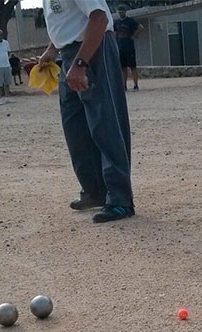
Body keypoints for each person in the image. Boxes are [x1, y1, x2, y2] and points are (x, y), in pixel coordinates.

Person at [37, 0, 135, 223]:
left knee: (105, 122)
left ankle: (120, 199)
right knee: (75, 127)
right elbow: (66, 20)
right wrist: (52, 50)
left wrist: (81, 63)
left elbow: (99, 18)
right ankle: (95, 191)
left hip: (92, 50)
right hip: (70, 53)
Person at [114, 4, 144, 91]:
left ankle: (135, 85)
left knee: (132, 67)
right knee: (123, 68)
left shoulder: (130, 21)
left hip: (129, 47)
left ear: (125, 12)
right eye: (119, 12)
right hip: (120, 47)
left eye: (122, 12)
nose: (120, 14)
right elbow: (115, 33)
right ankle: (124, 86)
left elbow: (140, 27)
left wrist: (134, 35)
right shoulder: (117, 22)